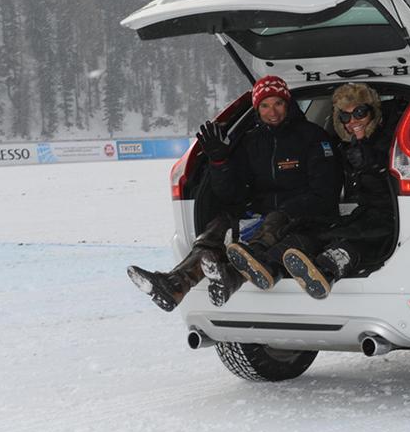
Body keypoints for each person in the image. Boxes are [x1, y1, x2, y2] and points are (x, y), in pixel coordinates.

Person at [127, 75, 341, 311]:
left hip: (304, 218)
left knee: (273, 221)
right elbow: (232, 194)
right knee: (221, 225)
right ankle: (174, 285)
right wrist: (219, 162)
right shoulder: (250, 141)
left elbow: (325, 193)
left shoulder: (313, 137)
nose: (272, 112)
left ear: (288, 104)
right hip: (263, 217)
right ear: (257, 109)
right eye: (265, 105)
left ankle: (230, 276)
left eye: (278, 103)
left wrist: (284, 211)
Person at [280, 83, 396, 299]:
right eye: (345, 116)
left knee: (364, 236)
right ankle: (279, 262)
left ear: (373, 112)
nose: (353, 121)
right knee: (320, 230)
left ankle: (328, 268)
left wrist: (373, 163)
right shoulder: (337, 146)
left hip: (387, 215)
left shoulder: (393, 140)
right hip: (355, 212)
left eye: (360, 112)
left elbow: (391, 185)